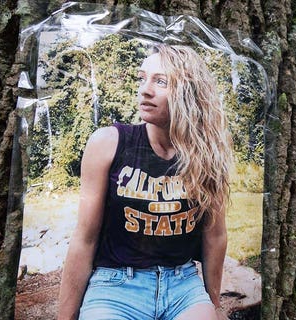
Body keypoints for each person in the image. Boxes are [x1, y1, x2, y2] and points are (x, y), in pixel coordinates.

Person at [57, 44, 232, 320]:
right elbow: (84, 238)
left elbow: (215, 235)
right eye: (143, 78)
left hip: (183, 285)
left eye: (160, 81)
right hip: (115, 287)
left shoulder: (208, 155)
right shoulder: (109, 143)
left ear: (189, 92)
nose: (144, 90)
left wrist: (213, 305)